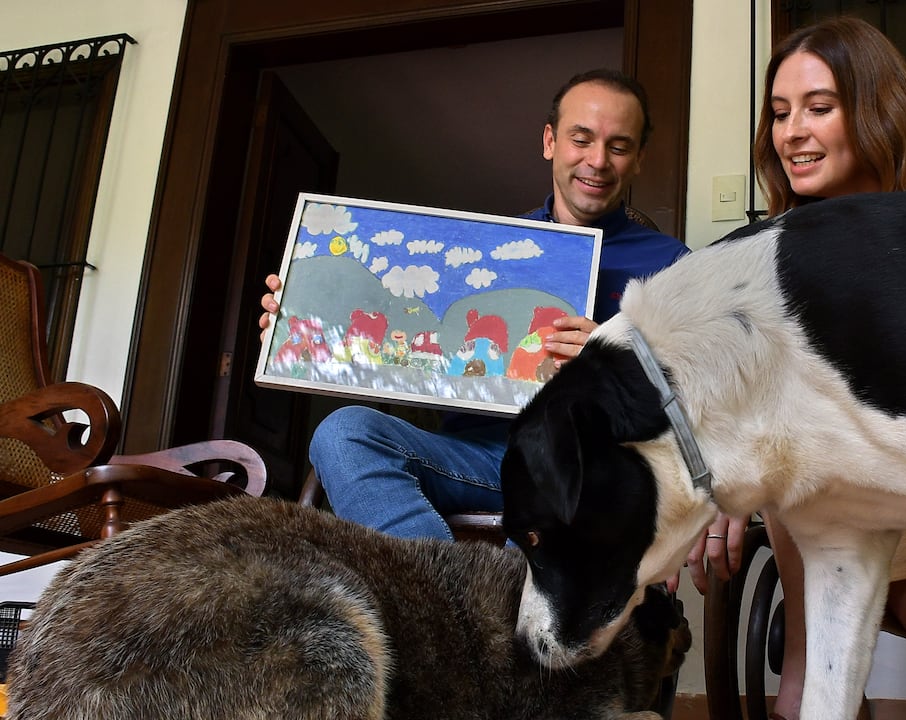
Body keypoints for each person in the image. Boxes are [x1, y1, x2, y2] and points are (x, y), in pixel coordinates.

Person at [685, 16, 906, 720]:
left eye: (818, 108)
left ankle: (816, 696)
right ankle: (815, 693)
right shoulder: (786, 245)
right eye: (780, 114)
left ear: (873, 107)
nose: (791, 134)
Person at [259, 68, 688, 542]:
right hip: (473, 457)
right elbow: (402, 330)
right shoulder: (488, 247)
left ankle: (459, 606)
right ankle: (448, 600)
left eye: (619, 146)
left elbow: (704, 400)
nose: (598, 161)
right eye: (581, 139)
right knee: (342, 435)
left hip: (587, 467)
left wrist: (614, 360)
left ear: (639, 159)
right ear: (550, 141)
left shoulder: (672, 267)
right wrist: (302, 316)